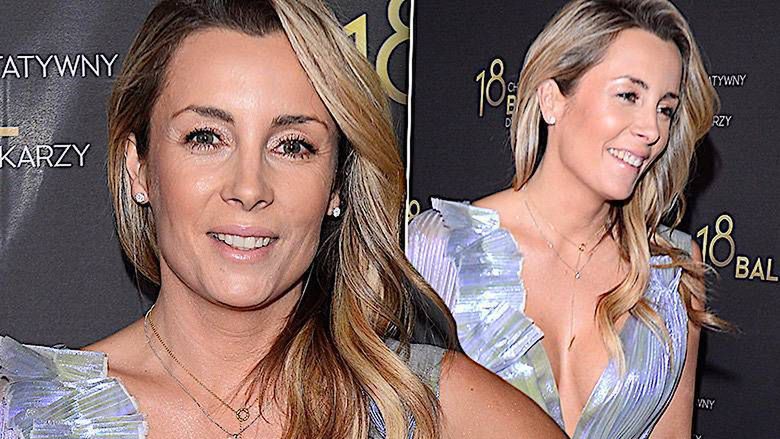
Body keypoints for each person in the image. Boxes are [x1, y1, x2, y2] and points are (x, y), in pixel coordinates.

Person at [0, 1, 566, 438]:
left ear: (336, 185)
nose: (249, 189)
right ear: (139, 168)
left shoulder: (438, 412)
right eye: (206, 138)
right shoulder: (29, 418)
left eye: (293, 145)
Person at [407, 0, 727, 438]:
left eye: (665, 108)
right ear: (552, 99)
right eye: (629, 96)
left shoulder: (671, 271)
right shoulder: (437, 249)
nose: (652, 130)